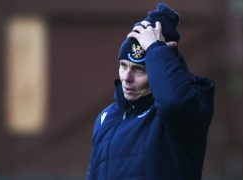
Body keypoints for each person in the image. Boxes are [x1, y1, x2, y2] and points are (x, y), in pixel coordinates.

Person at [87, 3, 215, 180]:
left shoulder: (182, 111)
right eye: (123, 66)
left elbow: (174, 101)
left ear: (159, 66)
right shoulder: (106, 117)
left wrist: (156, 49)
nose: (126, 77)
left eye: (140, 70)